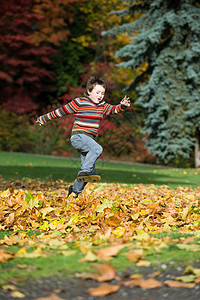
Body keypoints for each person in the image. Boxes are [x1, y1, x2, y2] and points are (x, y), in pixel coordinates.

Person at [36, 76, 130, 198]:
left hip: (89, 141)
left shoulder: (102, 106)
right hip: (78, 137)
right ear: (89, 91)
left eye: (102, 93)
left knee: (89, 172)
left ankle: (74, 192)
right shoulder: (79, 102)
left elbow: (114, 109)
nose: (100, 95)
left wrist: (122, 105)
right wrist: (44, 118)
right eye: (97, 92)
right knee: (96, 151)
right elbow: (61, 111)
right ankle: (83, 172)